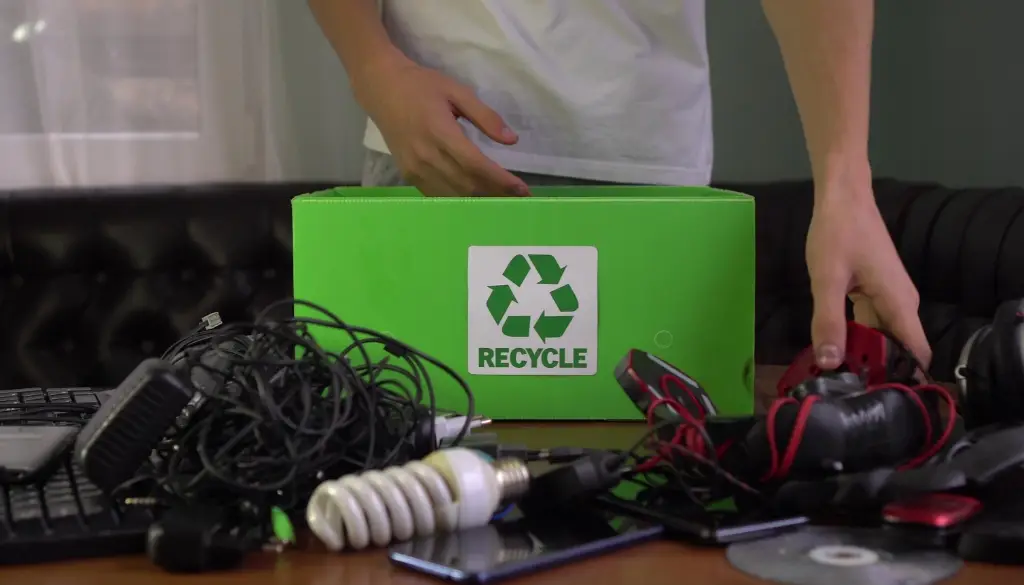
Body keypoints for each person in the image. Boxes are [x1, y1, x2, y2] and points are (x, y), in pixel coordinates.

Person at [309, 0, 931, 372]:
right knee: (403, 497)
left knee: (659, 501)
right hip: (437, 154)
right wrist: (374, 67)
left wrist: (845, 181)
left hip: (654, 185)